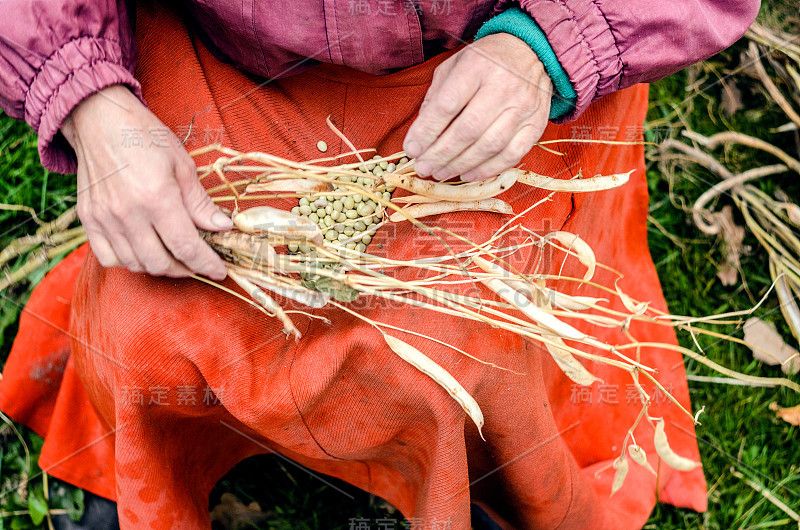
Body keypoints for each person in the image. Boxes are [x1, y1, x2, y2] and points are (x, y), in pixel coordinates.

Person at [0, 0, 759, 528]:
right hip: (219, 51)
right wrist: (86, 95)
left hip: (497, 61)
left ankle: (495, 485)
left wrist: (555, 44)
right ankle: (140, 463)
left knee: (464, 341)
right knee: (150, 315)